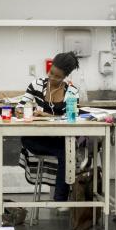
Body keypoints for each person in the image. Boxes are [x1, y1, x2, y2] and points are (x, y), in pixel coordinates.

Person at [17, 52, 83, 203]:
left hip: (59, 140)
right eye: (51, 73)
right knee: (67, 151)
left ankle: (60, 199)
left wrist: (48, 116)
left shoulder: (72, 92)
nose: (52, 78)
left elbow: (72, 118)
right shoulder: (36, 85)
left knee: (66, 150)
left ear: (65, 76)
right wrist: (23, 111)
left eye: (57, 76)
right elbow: (19, 107)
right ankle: (61, 200)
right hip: (35, 139)